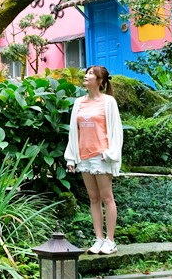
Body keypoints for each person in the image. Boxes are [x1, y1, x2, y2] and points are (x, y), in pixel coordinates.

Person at [64, 65, 123, 255]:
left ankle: (110, 241)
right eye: (87, 73)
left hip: (102, 155)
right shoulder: (78, 103)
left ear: (100, 81)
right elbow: (74, 131)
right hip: (84, 156)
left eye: (91, 74)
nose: (86, 76)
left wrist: (111, 154)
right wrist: (71, 157)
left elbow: (116, 130)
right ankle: (98, 239)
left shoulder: (108, 102)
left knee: (107, 197)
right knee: (93, 198)